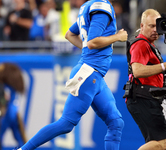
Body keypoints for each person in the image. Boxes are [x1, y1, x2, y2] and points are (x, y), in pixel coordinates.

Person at [16, 0, 128, 150]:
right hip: (90, 74)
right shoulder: (101, 6)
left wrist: (88, 50)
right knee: (66, 123)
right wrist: (117, 37)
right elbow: (93, 42)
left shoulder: (88, 6)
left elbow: (69, 35)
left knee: (116, 122)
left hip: (95, 75)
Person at [124, 9, 166, 150]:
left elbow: (151, 73)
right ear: (142, 26)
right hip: (142, 98)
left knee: (155, 143)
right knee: (164, 142)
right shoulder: (141, 44)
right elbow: (137, 71)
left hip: (144, 98)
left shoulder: (149, 44)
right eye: (151, 26)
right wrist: (165, 65)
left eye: (158, 25)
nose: (155, 30)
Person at [0, 63, 27, 149]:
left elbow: (4, 100)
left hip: (7, 113)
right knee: (20, 139)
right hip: (15, 112)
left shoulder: (5, 86)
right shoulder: (14, 87)